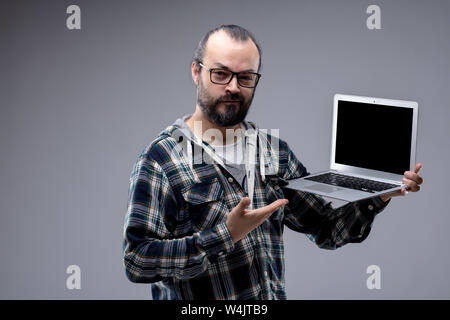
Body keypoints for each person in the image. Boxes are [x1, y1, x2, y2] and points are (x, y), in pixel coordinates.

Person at [122, 25, 423, 300]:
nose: (233, 87)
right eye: (221, 73)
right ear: (195, 72)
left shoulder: (273, 152)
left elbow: (328, 229)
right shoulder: (161, 160)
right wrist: (225, 235)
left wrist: (380, 193)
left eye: (245, 77)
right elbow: (137, 261)